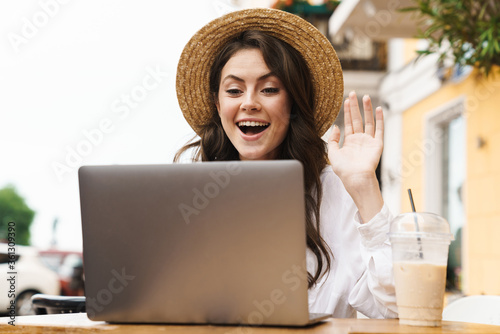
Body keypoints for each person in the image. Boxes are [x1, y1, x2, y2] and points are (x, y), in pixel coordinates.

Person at [174, 8, 398, 319]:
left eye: (269, 89)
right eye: (234, 90)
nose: (249, 102)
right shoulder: (191, 197)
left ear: (292, 102)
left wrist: (363, 186)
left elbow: (396, 310)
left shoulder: (336, 192)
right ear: (218, 103)